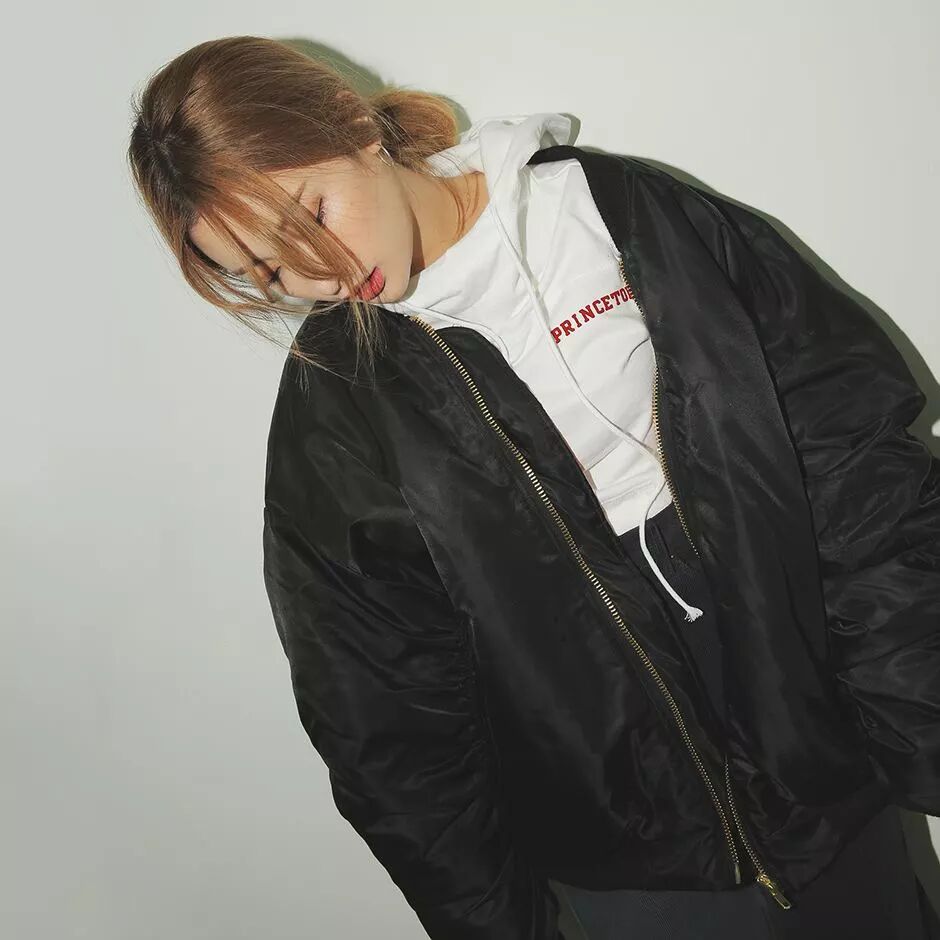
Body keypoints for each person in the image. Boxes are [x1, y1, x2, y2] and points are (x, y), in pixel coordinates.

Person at [127, 35, 940, 940]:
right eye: (270, 271)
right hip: (628, 852)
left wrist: (919, 713)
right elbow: (384, 713)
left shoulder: (621, 215)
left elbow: (856, 470)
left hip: (817, 745)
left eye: (309, 216)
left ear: (355, 128)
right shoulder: (338, 405)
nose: (319, 273)